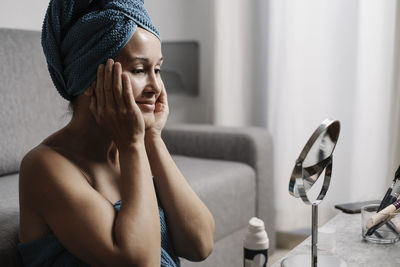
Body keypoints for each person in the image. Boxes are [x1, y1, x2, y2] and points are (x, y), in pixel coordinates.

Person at [17, 0, 215, 266]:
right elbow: (141, 262)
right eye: (138, 70)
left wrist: (152, 138)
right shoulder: (44, 167)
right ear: (90, 79)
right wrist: (133, 144)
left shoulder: (132, 150)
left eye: (157, 69)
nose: (156, 86)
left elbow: (200, 243)